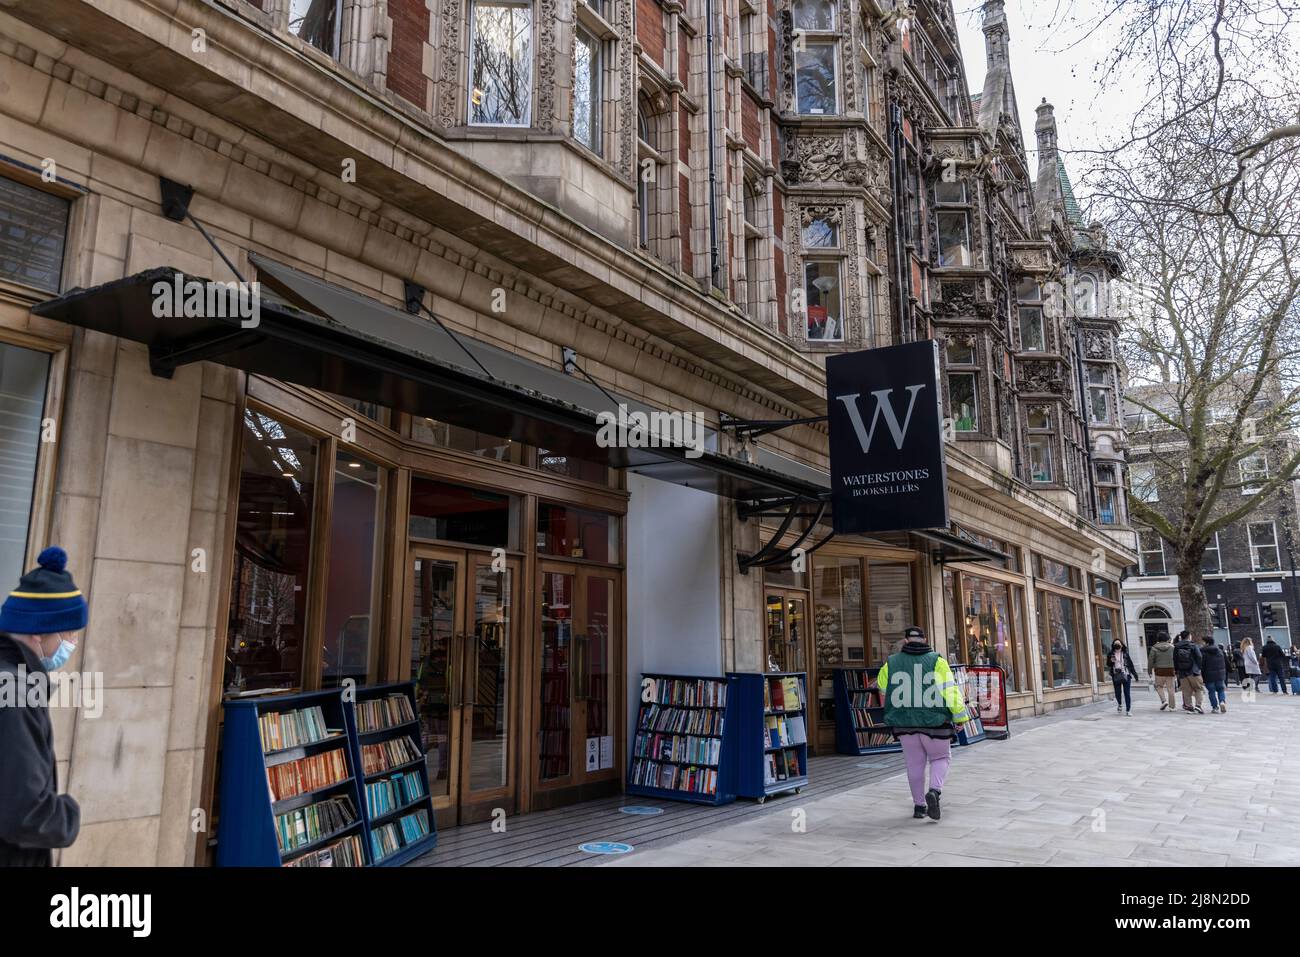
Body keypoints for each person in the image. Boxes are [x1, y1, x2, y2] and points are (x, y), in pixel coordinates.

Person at [0, 547, 88, 865]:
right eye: (69, 633)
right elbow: (24, 814)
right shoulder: (15, 693)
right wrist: (68, 814)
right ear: (40, 631)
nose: (72, 644)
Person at [876, 625, 971, 822]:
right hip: (935, 721)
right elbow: (950, 691)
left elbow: (882, 687)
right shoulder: (937, 662)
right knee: (940, 758)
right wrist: (960, 717)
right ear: (925, 640)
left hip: (904, 721)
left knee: (914, 763)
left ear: (906, 641)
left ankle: (919, 806)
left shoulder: (891, 663)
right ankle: (934, 792)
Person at [1104, 638, 1139, 715]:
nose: (1117, 645)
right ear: (1113, 645)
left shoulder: (1125, 653)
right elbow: (1108, 664)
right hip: (1116, 675)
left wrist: (1135, 674)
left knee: (1127, 693)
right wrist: (1111, 661)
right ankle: (1119, 704)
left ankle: (1128, 710)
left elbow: (1130, 664)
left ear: (1121, 645)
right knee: (1117, 692)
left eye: (1118, 644)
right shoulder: (1111, 654)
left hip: (1126, 674)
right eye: (1115, 644)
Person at [1173, 630, 1205, 713]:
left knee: (1186, 691)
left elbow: (1175, 660)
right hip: (1193, 671)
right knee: (1199, 688)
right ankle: (1198, 705)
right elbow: (1199, 657)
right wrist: (1199, 667)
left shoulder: (1176, 646)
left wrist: (1177, 671)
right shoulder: (1193, 645)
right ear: (1189, 636)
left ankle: (1189, 707)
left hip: (1182, 672)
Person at [1148, 631, 1178, 711]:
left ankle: (1164, 701)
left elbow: (1151, 660)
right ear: (1167, 638)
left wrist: (1149, 671)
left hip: (1159, 670)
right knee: (1171, 688)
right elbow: (1176, 659)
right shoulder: (1172, 647)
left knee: (1159, 686)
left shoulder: (1154, 648)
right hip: (1170, 670)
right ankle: (1172, 707)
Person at [1200, 636, 1228, 714]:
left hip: (1208, 675)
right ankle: (1222, 702)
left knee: (1211, 691)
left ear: (1207, 643)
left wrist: (1201, 675)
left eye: (1203, 642)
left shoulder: (1203, 652)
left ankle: (1215, 707)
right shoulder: (1220, 651)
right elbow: (1225, 663)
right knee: (1220, 689)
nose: (1202, 644)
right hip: (1220, 674)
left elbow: (1202, 665)